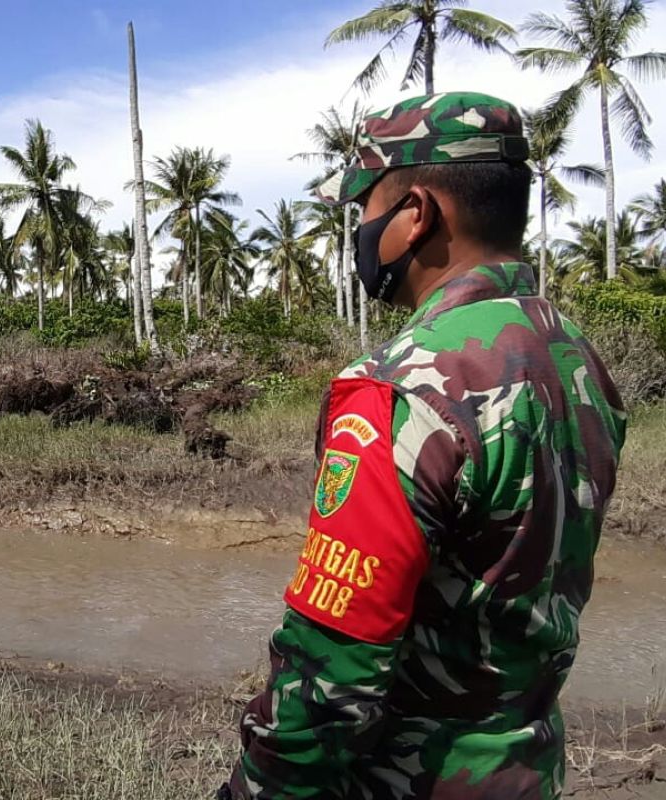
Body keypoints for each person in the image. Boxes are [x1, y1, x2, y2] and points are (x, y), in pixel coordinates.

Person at [222, 92, 627, 799]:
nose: (361, 232)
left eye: (366, 209)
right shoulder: (578, 362)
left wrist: (258, 789)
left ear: (416, 215)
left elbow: (331, 674)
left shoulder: (401, 388)